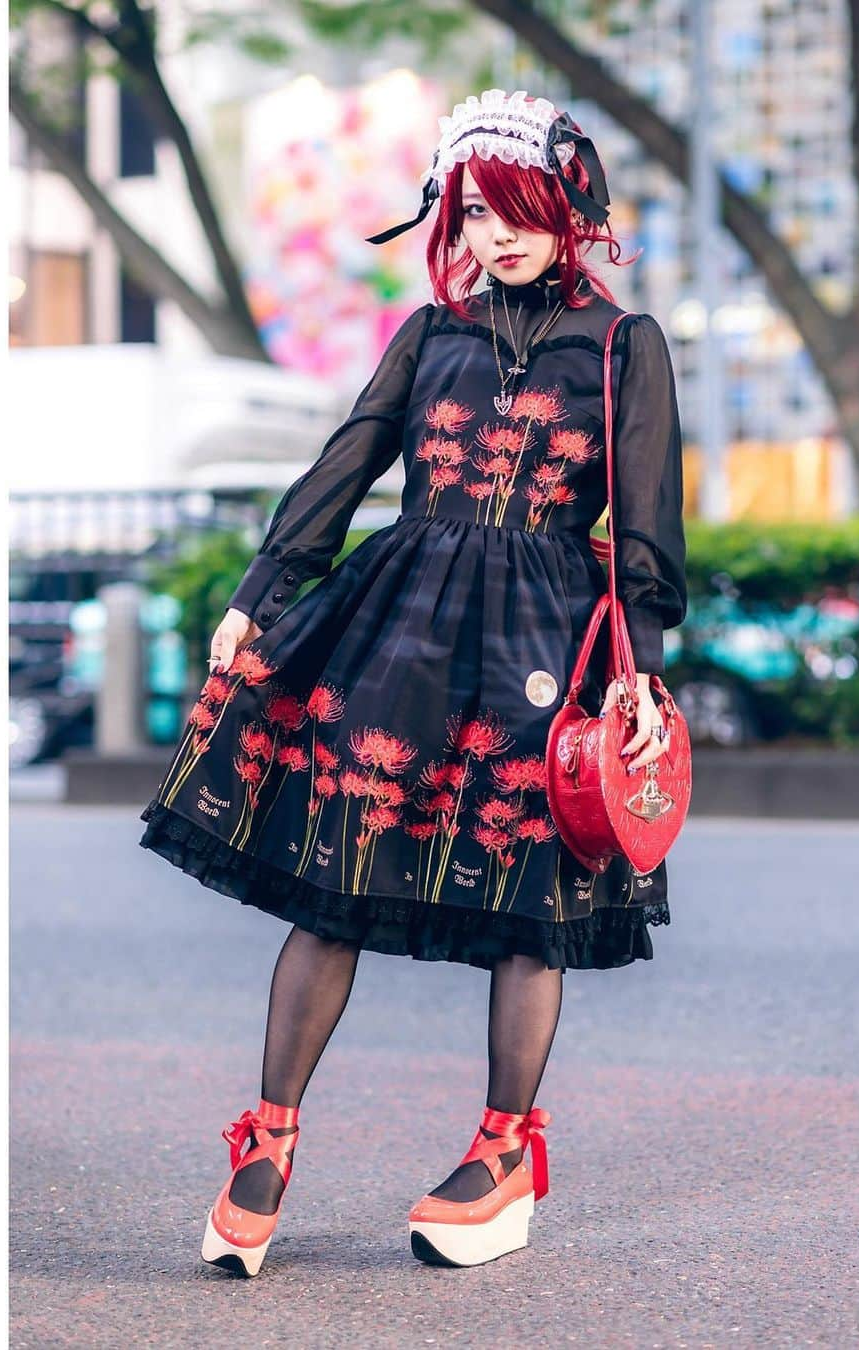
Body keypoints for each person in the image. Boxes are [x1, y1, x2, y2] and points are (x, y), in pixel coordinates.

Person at [138, 87, 687, 1275]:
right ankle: (269, 1138)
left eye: (520, 209)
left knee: (530, 903)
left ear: (570, 205)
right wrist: (257, 597)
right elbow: (347, 465)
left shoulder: (624, 347)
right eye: (476, 212)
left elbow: (646, 533)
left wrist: (639, 677)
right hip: (405, 631)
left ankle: (501, 1152)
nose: (496, 235)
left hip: (549, 641)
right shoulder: (429, 335)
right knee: (331, 883)